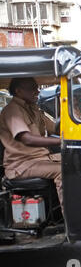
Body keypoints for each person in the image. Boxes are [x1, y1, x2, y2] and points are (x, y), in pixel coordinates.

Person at [0, 77, 63, 209]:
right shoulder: (12, 110)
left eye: (37, 87)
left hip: (40, 159)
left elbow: (54, 128)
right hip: (22, 165)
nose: (38, 91)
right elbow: (27, 139)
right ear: (18, 91)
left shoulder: (33, 109)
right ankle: (73, 221)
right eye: (32, 88)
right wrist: (62, 141)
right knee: (63, 171)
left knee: (76, 163)